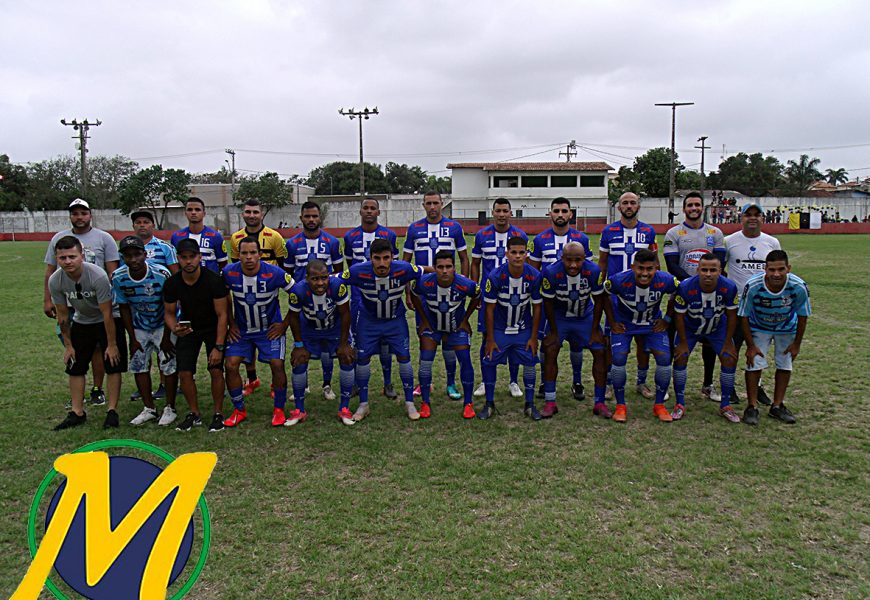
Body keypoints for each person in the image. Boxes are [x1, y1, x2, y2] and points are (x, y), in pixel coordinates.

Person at [43, 198, 120, 407]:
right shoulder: (59, 239)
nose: (79, 217)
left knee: (102, 350)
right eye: (75, 213)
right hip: (75, 305)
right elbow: (50, 270)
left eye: (83, 213)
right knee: (78, 351)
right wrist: (47, 299)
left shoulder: (104, 238)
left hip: (101, 299)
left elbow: (113, 271)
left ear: (90, 215)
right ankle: (77, 400)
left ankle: (97, 389)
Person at [49, 236, 126, 430]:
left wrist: (111, 344)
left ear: (81, 256)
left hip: (107, 319)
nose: (68, 261)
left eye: (72, 257)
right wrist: (68, 346)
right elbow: (63, 315)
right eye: (63, 258)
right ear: (57, 259)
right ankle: (77, 412)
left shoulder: (97, 276)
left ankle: (112, 411)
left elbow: (107, 313)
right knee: (75, 366)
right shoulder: (55, 280)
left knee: (113, 364)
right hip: (82, 320)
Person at [343, 238, 423, 421]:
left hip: (395, 321)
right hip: (368, 322)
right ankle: (363, 404)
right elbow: (336, 280)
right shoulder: (358, 271)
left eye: (386, 258)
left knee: (404, 357)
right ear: (370, 258)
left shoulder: (404, 268)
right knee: (362, 359)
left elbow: (424, 272)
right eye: (377, 258)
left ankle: (410, 402)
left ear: (393, 257)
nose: (381, 263)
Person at [221, 237, 295, 428]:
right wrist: (231, 323)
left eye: (253, 253)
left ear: (260, 254)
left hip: (269, 329)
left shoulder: (275, 273)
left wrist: (284, 324)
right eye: (244, 253)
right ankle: (239, 410)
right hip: (242, 331)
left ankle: (279, 409)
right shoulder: (229, 273)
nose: (248, 257)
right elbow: (221, 299)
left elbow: (298, 294)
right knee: (230, 365)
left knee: (277, 364)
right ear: (238, 255)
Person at [402, 190, 469, 401]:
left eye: (436, 203)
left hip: (450, 292)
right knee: (425, 335)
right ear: (423, 205)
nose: (432, 207)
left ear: (442, 204)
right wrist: (408, 292)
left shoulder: (454, 227)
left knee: (450, 338)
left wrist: (462, 286)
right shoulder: (414, 229)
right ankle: (425, 383)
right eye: (428, 203)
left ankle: (451, 382)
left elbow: (464, 259)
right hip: (424, 292)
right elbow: (406, 264)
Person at [663, 191, 727, 403]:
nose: (693, 208)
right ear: (684, 209)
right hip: (681, 293)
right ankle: (668, 386)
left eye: (697, 205)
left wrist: (704, 284)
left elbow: (719, 262)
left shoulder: (715, 232)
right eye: (689, 205)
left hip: (710, 295)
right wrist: (692, 285)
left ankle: (707, 385)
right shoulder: (674, 233)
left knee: (709, 342)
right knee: (677, 341)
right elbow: (672, 265)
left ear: (703, 207)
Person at [601, 249, 678, 423]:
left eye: (649, 269)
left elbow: (678, 292)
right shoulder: (619, 280)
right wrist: (612, 321)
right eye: (640, 268)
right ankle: (620, 405)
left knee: (665, 359)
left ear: (656, 268)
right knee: (619, 358)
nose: (644, 273)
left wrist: (667, 318)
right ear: (633, 267)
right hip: (625, 325)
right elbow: (603, 294)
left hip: (652, 325)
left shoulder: (666, 280)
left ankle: (659, 405)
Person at [527, 197, 593, 400]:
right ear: (550, 213)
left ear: (571, 214)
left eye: (564, 211)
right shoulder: (539, 239)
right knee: (547, 344)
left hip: (576, 301)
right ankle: (545, 383)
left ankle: (577, 381)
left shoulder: (581, 238)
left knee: (576, 344)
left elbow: (588, 271)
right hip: (550, 304)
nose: (560, 214)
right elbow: (534, 271)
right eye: (556, 211)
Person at [163, 238, 230, 432]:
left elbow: (222, 314)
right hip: (189, 328)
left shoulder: (213, 280)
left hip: (212, 326)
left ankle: (218, 413)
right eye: (184, 258)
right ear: (178, 259)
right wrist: (174, 327)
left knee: (215, 369)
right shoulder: (172, 283)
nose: (188, 262)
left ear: (200, 257)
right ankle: (194, 413)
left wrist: (218, 346)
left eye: (192, 257)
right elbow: (168, 312)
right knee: (184, 371)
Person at [112, 236, 178, 426]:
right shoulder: (118, 277)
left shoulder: (161, 274)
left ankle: (170, 407)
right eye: (128, 256)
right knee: (139, 365)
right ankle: (149, 408)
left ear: (144, 254)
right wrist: (132, 337)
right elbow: (124, 307)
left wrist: (167, 336)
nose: (133, 260)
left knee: (168, 364)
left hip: (162, 324)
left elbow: (170, 307)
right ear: (123, 257)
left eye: (137, 254)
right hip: (139, 325)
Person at [738, 250, 810, 426]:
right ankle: (752, 406)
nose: (776, 274)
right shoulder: (753, 285)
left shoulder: (798, 286)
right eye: (771, 270)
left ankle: (777, 406)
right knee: (754, 362)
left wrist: (796, 344)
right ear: (765, 269)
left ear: (788, 268)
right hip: (759, 326)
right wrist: (750, 345)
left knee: (785, 363)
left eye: (781, 269)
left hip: (786, 327)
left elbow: (803, 315)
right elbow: (743, 315)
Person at [599, 192, 660, 399]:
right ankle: (608, 382)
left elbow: (656, 263)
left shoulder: (648, 232)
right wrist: (600, 288)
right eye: (625, 202)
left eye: (632, 202)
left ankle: (641, 382)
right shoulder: (608, 231)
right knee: (611, 339)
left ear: (638, 206)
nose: (628, 206)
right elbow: (602, 262)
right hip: (616, 298)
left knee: (643, 341)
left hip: (643, 295)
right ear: (618, 207)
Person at [540, 242, 609, 419]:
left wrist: (594, 329)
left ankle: (599, 402)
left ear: (584, 259)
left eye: (577, 260)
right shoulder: (551, 272)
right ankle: (550, 401)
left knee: (600, 350)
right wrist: (554, 331)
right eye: (568, 260)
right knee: (550, 348)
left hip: (583, 316)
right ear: (561, 258)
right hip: (560, 316)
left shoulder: (594, 272)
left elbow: (599, 300)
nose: (573, 265)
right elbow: (547, 303)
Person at [410, 250, 481, 418]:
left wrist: (465, 319)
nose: (444, 271)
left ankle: (468, 404)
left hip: (456, 326)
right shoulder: (423, 282)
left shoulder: (466, 284)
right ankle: (425, 402)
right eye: (440, 267)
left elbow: (477, 295)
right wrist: (424, 320)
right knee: (426, 362)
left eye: (448, 266)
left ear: (454, 268)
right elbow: (413, 294)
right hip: (432, 327)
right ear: (434, 268)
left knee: (465, 359)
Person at [284, 201, 343, 403]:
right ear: (301, 218)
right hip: (303, 303)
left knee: (327, 347)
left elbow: (337, 272)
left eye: (314, 216)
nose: (311, 220)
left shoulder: (332, 242)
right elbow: (289, 274)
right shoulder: (291, 244)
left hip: (327, 304)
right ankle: (304, 385)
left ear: (320, 218)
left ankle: (327, 385)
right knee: (301, 343)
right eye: (307, 216)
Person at [228, 198, 288, 397]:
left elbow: (283, 264)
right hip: (245, 294)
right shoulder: (236, 238)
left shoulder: (275, 236)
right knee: (246, 338)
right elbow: (234, 268)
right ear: (243, 214)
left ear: (262, 214)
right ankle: (252, 378)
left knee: (268, 337)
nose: (252, 215)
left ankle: (274, 385)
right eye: (248, 212)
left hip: (268, 291)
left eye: (255, 212)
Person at [470, 198, 528, 399]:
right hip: (489, 296)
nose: (502, 214)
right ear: (492, 212)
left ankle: (513, 381)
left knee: (514, 338)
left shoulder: (519, 235)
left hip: (515, 295)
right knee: (487, 336)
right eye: (498, 210)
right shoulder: (482, 235)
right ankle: (486, 380)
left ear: (511, 213)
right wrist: (476, 288)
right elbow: (475, 263)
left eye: (505, 210)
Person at [479, 236, 543, 420]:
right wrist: (490, 339)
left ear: (526, 254)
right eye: (513, 252)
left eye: (521, 253)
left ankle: (529, 404)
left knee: (531, 360)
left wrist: (533, 336)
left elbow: (537, 306)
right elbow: (489, 309)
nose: (517, 256)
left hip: (523, 328)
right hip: (500, 328)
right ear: (506, 253)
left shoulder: (534, 276)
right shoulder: (496, 276)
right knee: (489, 360)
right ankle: (489, 403)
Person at [343, 197, 400, 399]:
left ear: (378, 212)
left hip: (385, 295)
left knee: (385, 341)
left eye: (372, 208)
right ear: (360, 212)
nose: (368, 211)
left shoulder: (389, 235)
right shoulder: (350, 237)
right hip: (360, 297)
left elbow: (396, 265)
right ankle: (359, 383)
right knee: (359, 340)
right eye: (365, 208)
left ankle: (388, 383)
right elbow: (350, 267)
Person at [672, 253, 741, 423]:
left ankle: (725, 405)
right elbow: (679, 317)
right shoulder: (686, 287)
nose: (708, 274)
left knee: (729, 358)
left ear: (720, 271)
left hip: (717, 328)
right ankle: (679, 403)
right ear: (698, 270)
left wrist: (728, 342)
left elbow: (732, 316)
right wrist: (682, 342)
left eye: (712, 270)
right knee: (681, 357)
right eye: (704, 270)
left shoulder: (729, 287)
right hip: (690, 328)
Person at [724, 202, 781, 406]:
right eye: (749, 214)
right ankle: (728, 387)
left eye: (757, 214)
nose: (753, 218)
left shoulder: (772, 242)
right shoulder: (729, 241)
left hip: (762, 306)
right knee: (733, 347)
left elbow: (777, 271)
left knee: (759, 347)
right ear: (741, 218)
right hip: (737, 306)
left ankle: (757, 386)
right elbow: (721, 270)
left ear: (763, 219)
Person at [286, 260, 356, 425]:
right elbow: (293, 318)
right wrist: (298, 345)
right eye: (315, 279)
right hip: (309, 331)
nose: (320, 283)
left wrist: (344, 343)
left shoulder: (338, 286)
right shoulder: (298, 290)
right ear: (307, 278)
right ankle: (299, 410)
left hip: (334, 330)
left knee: (347, 358)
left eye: (324, 278)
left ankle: (344, 408)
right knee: (299, 361)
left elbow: (345, 314)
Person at [129, 209, 178, 403]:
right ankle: (145, 390)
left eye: (146, 222)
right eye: (138, 222)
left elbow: (175, 275)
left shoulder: (164, 248)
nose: (142, 225)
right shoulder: (126, 248)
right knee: (142, 352)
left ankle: (165, 385)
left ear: (152, 225)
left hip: (163, 308)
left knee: (165, 350)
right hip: (139, 311)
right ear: (133, 226)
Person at [170, 197, 228, 273]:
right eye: (190, 210)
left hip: (210, 283)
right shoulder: (176, 237)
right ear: (185, 213)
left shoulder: (215, 236)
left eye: (197, 209)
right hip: (186, 282)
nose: (193, 212)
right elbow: (175, 264)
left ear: (204, 213)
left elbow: (223, 264)